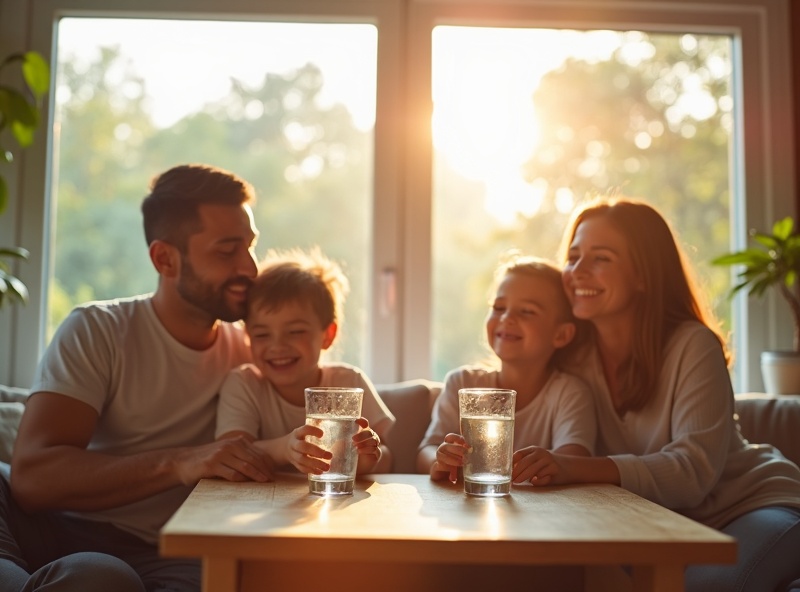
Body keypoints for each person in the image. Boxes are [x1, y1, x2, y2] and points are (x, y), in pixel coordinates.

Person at [1, 163, 274, 592]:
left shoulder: (252, 354)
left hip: (157, 554)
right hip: (39, 528)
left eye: (250, 247)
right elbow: (33, 480)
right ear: (165, 258)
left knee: (100, 577)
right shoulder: (99, 330)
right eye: (227, 251)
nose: (251, 268)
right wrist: (182, 460)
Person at [512, 196, 800, 592]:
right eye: (574, 256)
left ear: (644, 275)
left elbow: (693, 471)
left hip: (752, 505)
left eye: (601, 258)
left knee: (703, 587)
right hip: (660, 525)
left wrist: (578, 467)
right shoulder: (574, 360)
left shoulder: (693, 345)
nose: (577, 271)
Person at [416, 252, 596, 481]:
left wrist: (547, 463)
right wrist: (441, 459)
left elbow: (573, 459)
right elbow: (426, 450)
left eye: (527, 311)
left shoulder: (569, 393)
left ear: (561, 334)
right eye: (499, 307)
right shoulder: (462, 383)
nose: (506, 318)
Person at [216, 246, 395, 475]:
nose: (277, 346)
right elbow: (232, 454)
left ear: (328, 335)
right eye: (262, 334)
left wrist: (366, 459)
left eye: (295, 332)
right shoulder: (243, 384)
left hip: (335, 504)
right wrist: (284, 449)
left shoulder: (350, 382)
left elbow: (389, 455)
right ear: (248, 338)